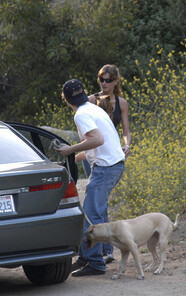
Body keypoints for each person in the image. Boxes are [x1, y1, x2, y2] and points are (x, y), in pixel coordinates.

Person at [55, 79, 125, 276]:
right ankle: (92, 256)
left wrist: (70, 149)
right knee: (97, 212)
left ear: (66, 99)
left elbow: (97, 139)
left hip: (106, 169)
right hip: (114, 164)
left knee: (91, 215)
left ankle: (95, 263)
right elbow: (99, 144)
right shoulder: (94, 109)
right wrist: (76, 157)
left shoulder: (81, 115)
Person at [78, 64, 131, 263]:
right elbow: (86, 132)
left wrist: (127, 145)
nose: (105, 83)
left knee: (100, 204)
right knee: (97, 205)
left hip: (110, 152)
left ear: (116, 81)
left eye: (109, 80)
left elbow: (126, 130)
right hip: (94, 153)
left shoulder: (122, 102)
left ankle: (104, 251)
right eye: (102, 79)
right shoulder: (91, 100)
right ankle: (103, 250)